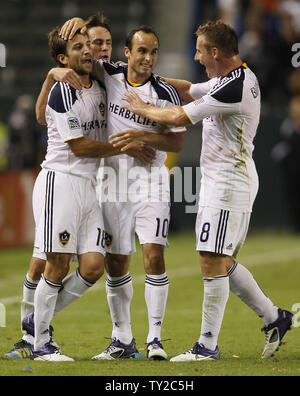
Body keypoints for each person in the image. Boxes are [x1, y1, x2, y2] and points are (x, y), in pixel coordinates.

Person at [117, 20, 293, 361]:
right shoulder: (228, 79)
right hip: (220, 179)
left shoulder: (235, 86)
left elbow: (179, 116)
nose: (196, 57)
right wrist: (144, 75)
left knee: (211, 259)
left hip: (230, 180)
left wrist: (139, 107)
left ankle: (207, 346)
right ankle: (274, 318)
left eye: (199, 51)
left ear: (215, 52)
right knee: (220, 259)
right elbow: (187, 89)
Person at [7, 22, 154, 361]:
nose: (88, 50)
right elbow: (79, 147)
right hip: (61, 180)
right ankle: (41, 342)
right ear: (63, 58)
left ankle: (35, 325)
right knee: (54, 264)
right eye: (78, 47)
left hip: (89, 186)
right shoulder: (64, 91)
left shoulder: (101, 84)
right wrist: (125, 148)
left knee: (91, 266)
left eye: (89, 44)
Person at [271, 95, 300, 232]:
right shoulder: (287, 125)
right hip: (292, 170)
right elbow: (280, 147)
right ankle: (295, 227)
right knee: (292, 197)